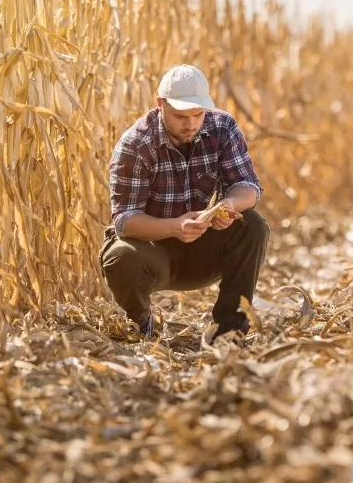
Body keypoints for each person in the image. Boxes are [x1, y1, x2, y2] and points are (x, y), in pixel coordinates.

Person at [98, 64, 269, 343]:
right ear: (159, 104)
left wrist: (228, 205)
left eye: (197, 114)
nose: (190, 124)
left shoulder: (222, 127)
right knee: (120, 256)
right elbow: (124, 221)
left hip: (202, 247)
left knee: (253, 225)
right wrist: (175, 227)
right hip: (153, 251)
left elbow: (249, 187)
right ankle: (141, 324)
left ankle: (230, 330)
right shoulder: (136, 144)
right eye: (180, 116)